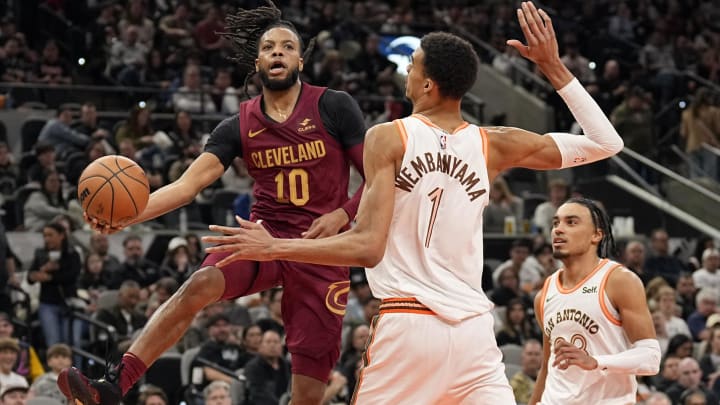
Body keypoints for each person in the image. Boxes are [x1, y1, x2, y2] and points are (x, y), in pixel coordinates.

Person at [202, 2, 627, 402]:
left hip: (409, 323)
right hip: (475, 335)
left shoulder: (389, 136)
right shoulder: (493, 144)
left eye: (412, 65)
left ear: (426, 84)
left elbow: (367, 247)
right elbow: (607, 142)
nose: (406, 72)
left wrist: (275, 246)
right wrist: (552, 66)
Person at [59, 3, 366, 405]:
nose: (277, 52)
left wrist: (342, 213)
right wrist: (125, 216)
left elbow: (379, 178)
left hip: (320, 251)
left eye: (287, 47)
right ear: (256, 61)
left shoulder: (334, 106)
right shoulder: (238, 124)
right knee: (200, 283)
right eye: (269, 47)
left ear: (301, 60)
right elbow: (187, 186)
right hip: (262, 237)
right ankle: (115, 385)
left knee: (306, 396)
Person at [528, 198, 660, 404]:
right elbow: (548, 365)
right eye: (556, 223)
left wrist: (595, 362)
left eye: (571, 222)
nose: (558, 230)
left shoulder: (619, 280)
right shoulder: (544, 293)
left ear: (597, 235)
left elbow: (651, 359)